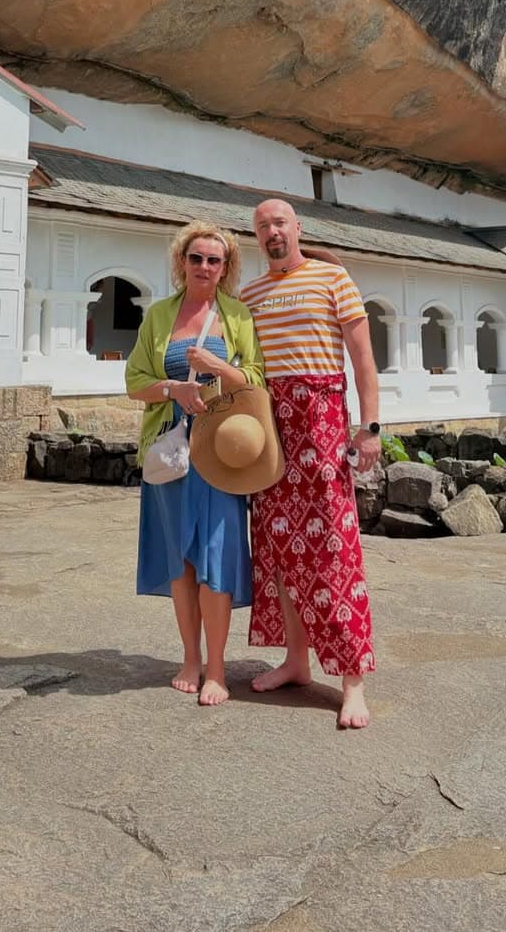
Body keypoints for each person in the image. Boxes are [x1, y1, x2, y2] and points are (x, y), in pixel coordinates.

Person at [241, 199, 380, 730]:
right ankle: (296, 663)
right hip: (269, 426)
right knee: (277, 549)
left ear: (297, 228)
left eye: (280, 222)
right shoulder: (249, 294)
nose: (272, 231)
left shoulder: (333, 278)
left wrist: (369, 428)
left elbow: (363, 358)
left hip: (321, 421)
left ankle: (352, 680)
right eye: (263, 226)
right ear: (257, 237)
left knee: (333, 546)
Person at [126, 221, 264, 706]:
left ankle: (218, 669)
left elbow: (256, 379)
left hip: (222, 453)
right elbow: (135, 380)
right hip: (170, 452)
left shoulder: (238, 316)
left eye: (214, 260)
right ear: (181, 261)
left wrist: (220, 368)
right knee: (181, 562)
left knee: (216, 558)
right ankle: (190, 658)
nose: (204, 267)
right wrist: (174, 389)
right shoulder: (159, 316)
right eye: (196, 258)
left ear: (226, 268)